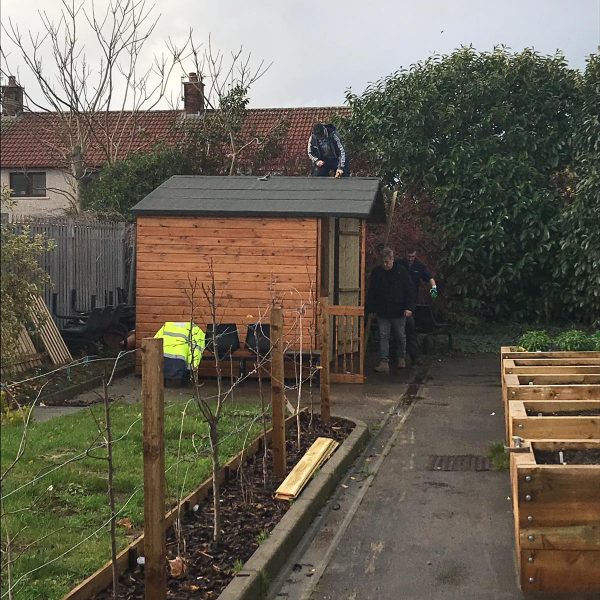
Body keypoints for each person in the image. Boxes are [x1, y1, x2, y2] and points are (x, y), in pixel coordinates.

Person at [365, 247, 415, 373]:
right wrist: (371, 308)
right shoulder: (377, 272)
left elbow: (409, 290)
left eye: (387, 262)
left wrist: (409, 307)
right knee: (384, 336)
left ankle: (401, 357)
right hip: (383, 311)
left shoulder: (401, 272)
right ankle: (384, 361)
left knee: (400, 336)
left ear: (392, 259)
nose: (385, 265)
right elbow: (372, 292)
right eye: (383, 262)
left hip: (399, 311)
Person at [399, 249, 438, 365]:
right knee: (398, 330)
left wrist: (434, 290)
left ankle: (414, 356)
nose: (410, 259)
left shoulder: (419, 266)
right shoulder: (399, 264)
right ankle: (398, 356)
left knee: (410, 328)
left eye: (413, 256)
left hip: (411, 302)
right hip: (398, 300)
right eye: (409, 256)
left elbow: (430, 278)